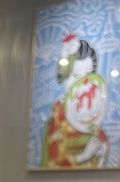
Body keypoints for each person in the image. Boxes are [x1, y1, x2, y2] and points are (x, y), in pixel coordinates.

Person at [42, 34, 109, 169]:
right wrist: (83, 156)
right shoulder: (58, 114)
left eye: (88, 74)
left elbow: (99, 135)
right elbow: (53, 162)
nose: (83, 81)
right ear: (65, 76)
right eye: (77, 75)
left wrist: (102, 149)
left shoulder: (92, 110)